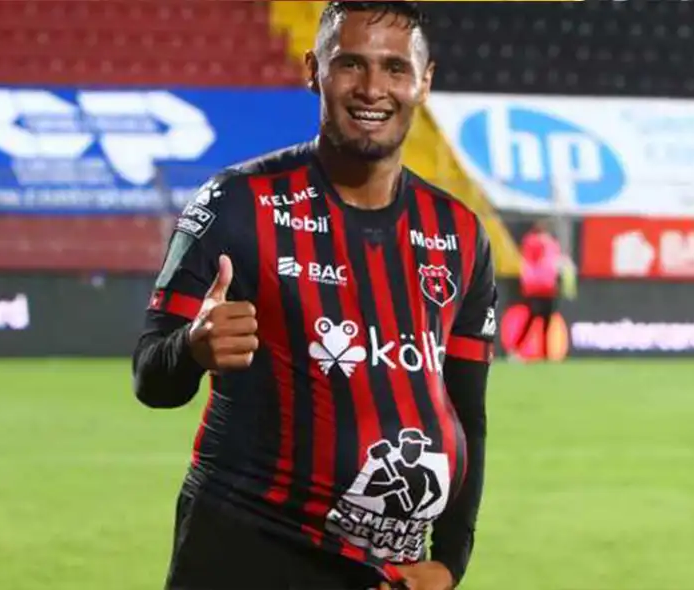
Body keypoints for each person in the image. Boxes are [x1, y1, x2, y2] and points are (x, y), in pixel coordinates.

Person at [132, 3, 497, 589]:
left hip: (387, 574)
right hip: (245, 553)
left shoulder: (459, 233)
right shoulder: (235, 203)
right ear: (313, 69)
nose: (373, 88)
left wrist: (450, 561)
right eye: (350, 64)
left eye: (395, 68)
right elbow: (151, 378)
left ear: (423, 82)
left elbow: (468, 413)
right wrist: (192, 348)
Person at [511, 219, 566, 361]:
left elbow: (554, 264)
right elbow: (530, 261)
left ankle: (545, 353)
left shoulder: (551, 243)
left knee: (546, 321)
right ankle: (516, 349)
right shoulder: (533, 242)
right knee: (532, 317)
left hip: (548, 287)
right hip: (535, 287)